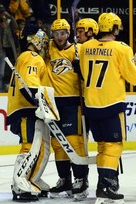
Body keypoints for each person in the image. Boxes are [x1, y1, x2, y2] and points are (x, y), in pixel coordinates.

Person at [79, 12, 136, 203]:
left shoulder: (85, 47)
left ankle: (104, 184)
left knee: (103, 145)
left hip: (91, 105)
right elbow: (134, 77)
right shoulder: (121, 49)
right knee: (114, 146)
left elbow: (83, 72)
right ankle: (105, 186)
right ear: (114, 28)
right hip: (111, 104)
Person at [46, 18, 88, 201]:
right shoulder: (49, 47)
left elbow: (90, 75)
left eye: (63, 33)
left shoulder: (77, 50)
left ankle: (81, 179)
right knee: (58, 144)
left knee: (73, 141)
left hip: (73, 102)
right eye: (56, 33)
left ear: (68, 33)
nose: (59, 37)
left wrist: (82, 69)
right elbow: (33, 40)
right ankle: (65, 180)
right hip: (54, 103)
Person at [6, 24, 50, 201]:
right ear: (37, 38)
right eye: (44, 41)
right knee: (30, 146)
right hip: (26, 110)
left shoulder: (27, 57)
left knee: (40, 148)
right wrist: (39, 104)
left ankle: (32, 178)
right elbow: (29, 86)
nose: (45, 45)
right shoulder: (32, 57)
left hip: (27, 109)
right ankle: (19, 184)